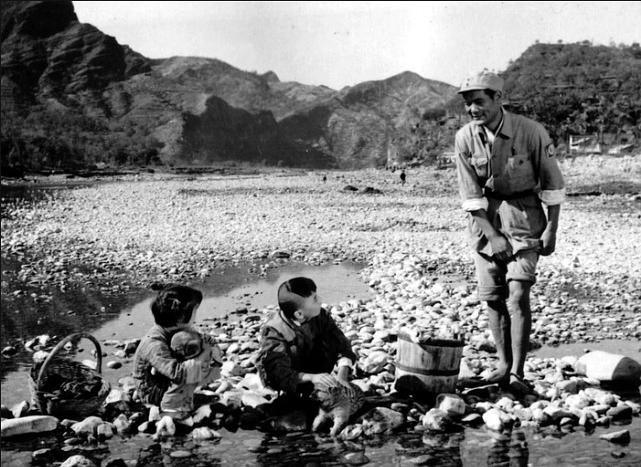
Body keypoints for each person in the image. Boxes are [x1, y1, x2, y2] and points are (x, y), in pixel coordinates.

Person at [453, 70, 565, 393]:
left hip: (525, 218)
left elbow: (553, 184)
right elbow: (470, 195)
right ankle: (502, 364)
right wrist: (493, 236)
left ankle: (517, 372)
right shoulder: (464, 138)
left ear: (498, 98)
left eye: (478, 102)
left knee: (517, 294)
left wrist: (552, 230)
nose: (472, 110)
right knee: (492, 298)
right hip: (485, 221)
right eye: (468, 104)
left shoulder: (531, 132)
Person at [256, 277, 356, 398]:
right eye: (315, 299)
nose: (320, 300)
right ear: (299, 314)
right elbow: (278, 375)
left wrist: (342, 376)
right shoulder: (274, 331)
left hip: (316, 366)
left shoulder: (320, 315)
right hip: (292, 380)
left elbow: (342, 345)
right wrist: (312, 378)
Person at [133, 283, 223, 418]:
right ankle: (172, 408)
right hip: (152, 390)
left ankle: (185, 396)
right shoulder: (154, 343)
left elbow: (202, 338)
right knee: (190, 369)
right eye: (194, 311)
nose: (196, 316)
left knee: (195, 349)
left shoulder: (179, 329)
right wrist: (204, 355)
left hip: (165, 378)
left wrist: (213, 349)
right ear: (181, 317)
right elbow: (177, 373)